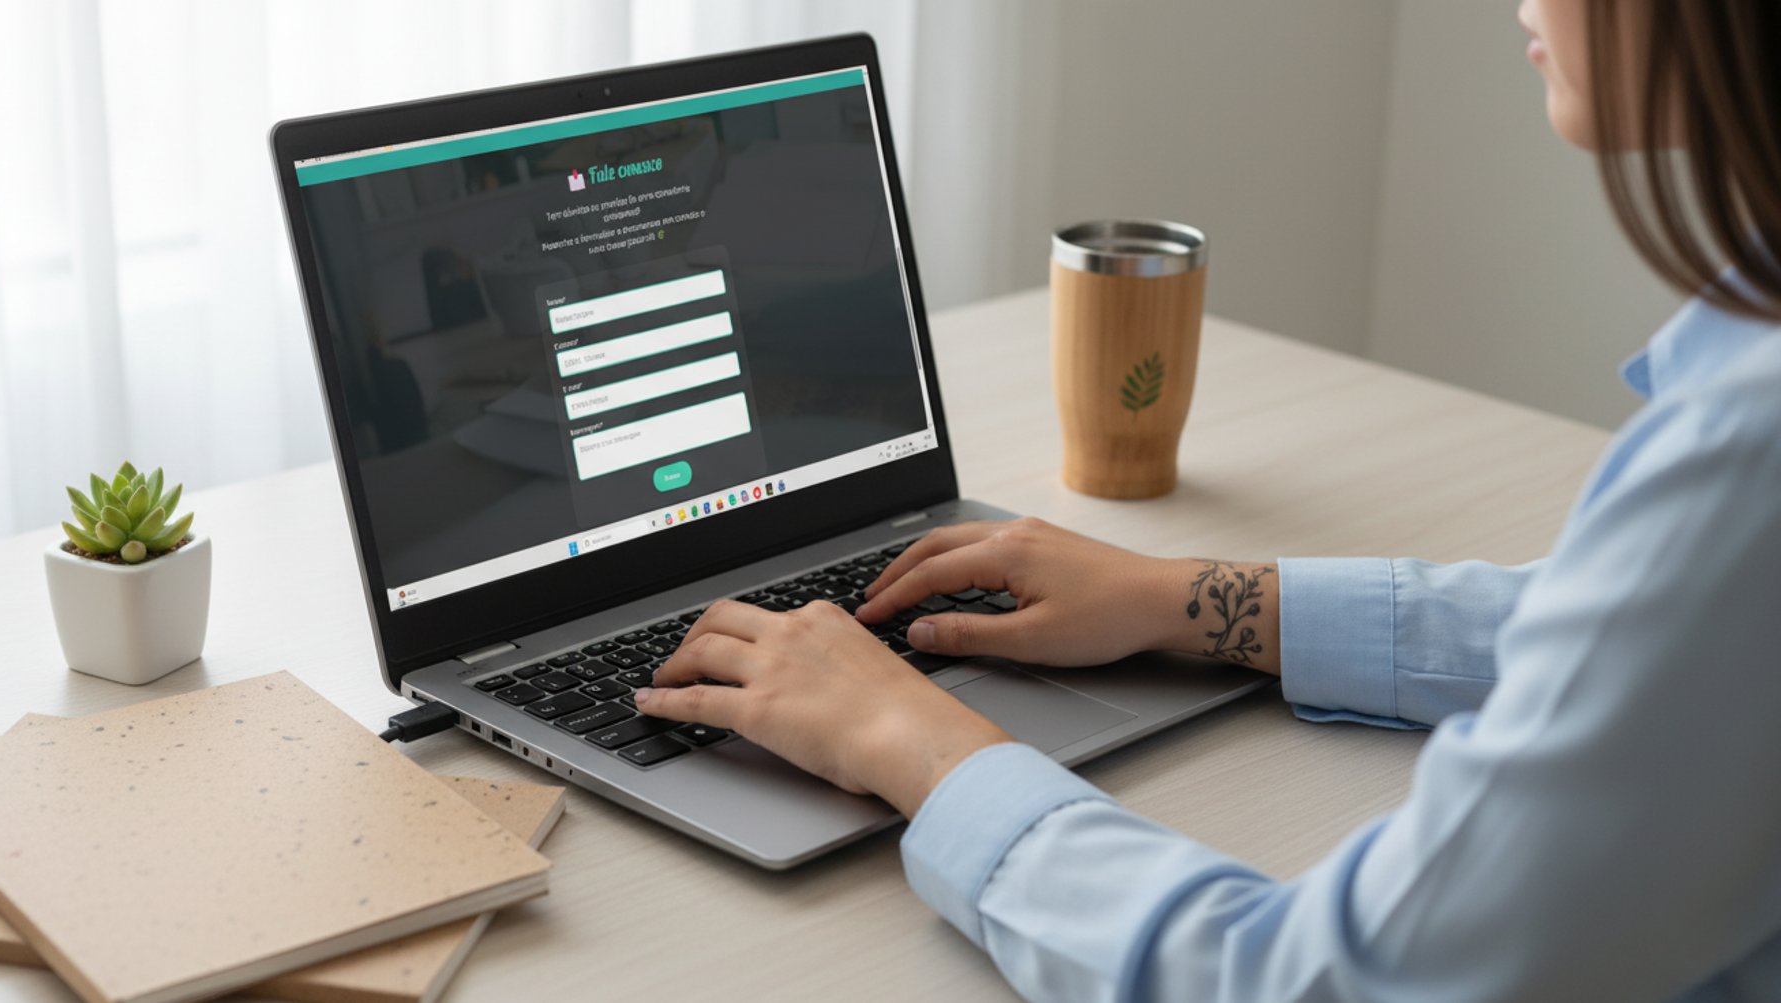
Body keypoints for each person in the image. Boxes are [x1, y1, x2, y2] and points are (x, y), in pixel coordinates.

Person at [635, 1, 1781, 999]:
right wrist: (1193, 599)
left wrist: (912, 741)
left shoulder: (1746, 455)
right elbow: (1659, 646)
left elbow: (1312, 982)